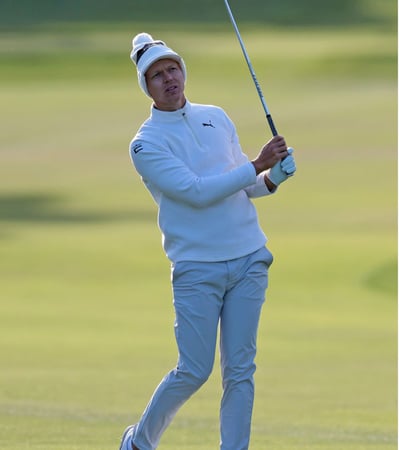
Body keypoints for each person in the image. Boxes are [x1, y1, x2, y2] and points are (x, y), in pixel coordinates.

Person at [119, 33, 296, 450]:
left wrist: (274, 177)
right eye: (157, 75)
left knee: (240, 371)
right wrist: (258, 162)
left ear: (183, 71)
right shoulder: (144, 144)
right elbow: (197, 191)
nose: (169, 78)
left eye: (173, 69)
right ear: (147, 86)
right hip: (198, 267)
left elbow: (245, 186)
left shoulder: (215, 115)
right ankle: (139, 442)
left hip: (249, 258)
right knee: (194, 370)